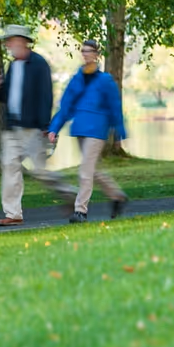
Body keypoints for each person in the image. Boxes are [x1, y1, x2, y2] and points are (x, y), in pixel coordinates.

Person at [0, 24, 76, 226]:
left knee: (40, 171)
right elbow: (7, 97)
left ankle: (69, 193)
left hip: (33, 128)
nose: (8, 44)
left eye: (10, 40)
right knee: (9, 167)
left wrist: (46, 126)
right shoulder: (12, 66)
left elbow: (46, 96)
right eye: (7, 41)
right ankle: (13, 214)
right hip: (12, 128)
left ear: (23, 41)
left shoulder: (39, 64)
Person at [48, 38, 129, 223]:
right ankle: (117, 196)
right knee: (92, 170)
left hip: (97, 130)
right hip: (79, 129)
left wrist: (119, 132)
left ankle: (80, 211)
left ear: (96, 54)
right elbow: (66, 106)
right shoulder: (77, 79)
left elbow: (115, 107)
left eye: (89, 51)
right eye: (83, 51)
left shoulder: (105, 80)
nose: (86, 54)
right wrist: (54, 128)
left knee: (85, 170)